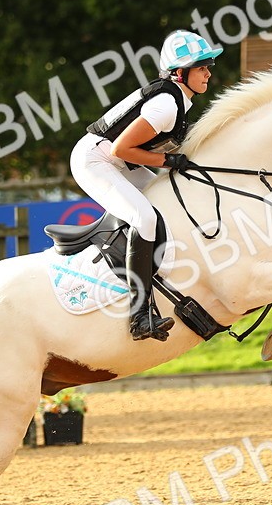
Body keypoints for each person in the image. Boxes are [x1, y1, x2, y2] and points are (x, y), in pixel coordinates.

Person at [69, 30, 222, 342]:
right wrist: (168, 163)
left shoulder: (181, 100)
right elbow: (120, 150)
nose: (208, 72)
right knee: (145, 217)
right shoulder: (165, 105)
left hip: (122, 161)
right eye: (202, 66)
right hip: (95, 161)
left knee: (172, 198)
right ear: (181, 73)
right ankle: (139, 316)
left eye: (208, 66)